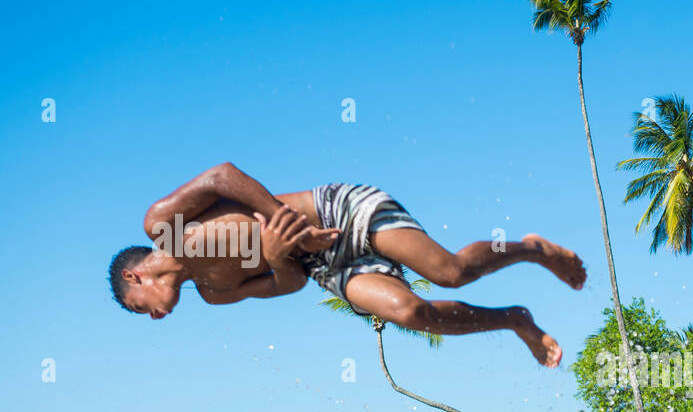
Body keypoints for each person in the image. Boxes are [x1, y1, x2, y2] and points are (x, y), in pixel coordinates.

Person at [109, 163, 586, 366]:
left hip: (338, 213)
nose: (153, 316)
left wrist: (285, 222)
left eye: (139, 306)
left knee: (450, 271)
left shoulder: (161, 226)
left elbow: (222, 176)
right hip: (323, 266)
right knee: (410, 313)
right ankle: (514, 319)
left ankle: (531, 249)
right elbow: (288, 285)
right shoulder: (214, 292)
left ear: (136, 276)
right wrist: (278, 256)